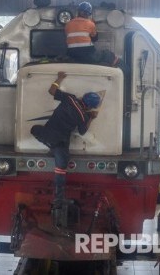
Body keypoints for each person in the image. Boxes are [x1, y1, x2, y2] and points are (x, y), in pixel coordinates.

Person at [30, 71, 100, 226]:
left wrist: (59, 78)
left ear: (83, 97)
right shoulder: (83, 116)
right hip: (61, 142)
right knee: (61, 168)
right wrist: (92, 118)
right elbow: (82, 131)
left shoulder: (70, 99)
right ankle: (59, 197)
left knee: (34, 129)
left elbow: (52, 91)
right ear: (90, 107)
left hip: (47, 135)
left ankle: (51, 147)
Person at [65, 1, 124, 70]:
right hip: (87, 54)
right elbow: (95, 39)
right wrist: (93, 25)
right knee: (107, 54)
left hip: (72, 54)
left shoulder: (68, 24)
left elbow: (69, 36)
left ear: (78, 11)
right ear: (88, 13)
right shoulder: (90, 24)